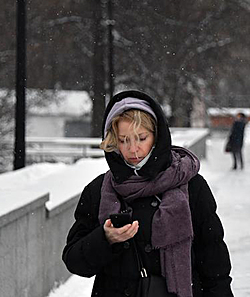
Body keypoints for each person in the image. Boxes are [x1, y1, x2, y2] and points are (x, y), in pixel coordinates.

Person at [62, 90, 234, 297]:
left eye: (141, 138)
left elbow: (214, 262)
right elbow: (74, 261)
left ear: (156, 135)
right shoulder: (98, 191)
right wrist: (105, 239)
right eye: (124, 140)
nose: (133, 149)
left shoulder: (191, 186)